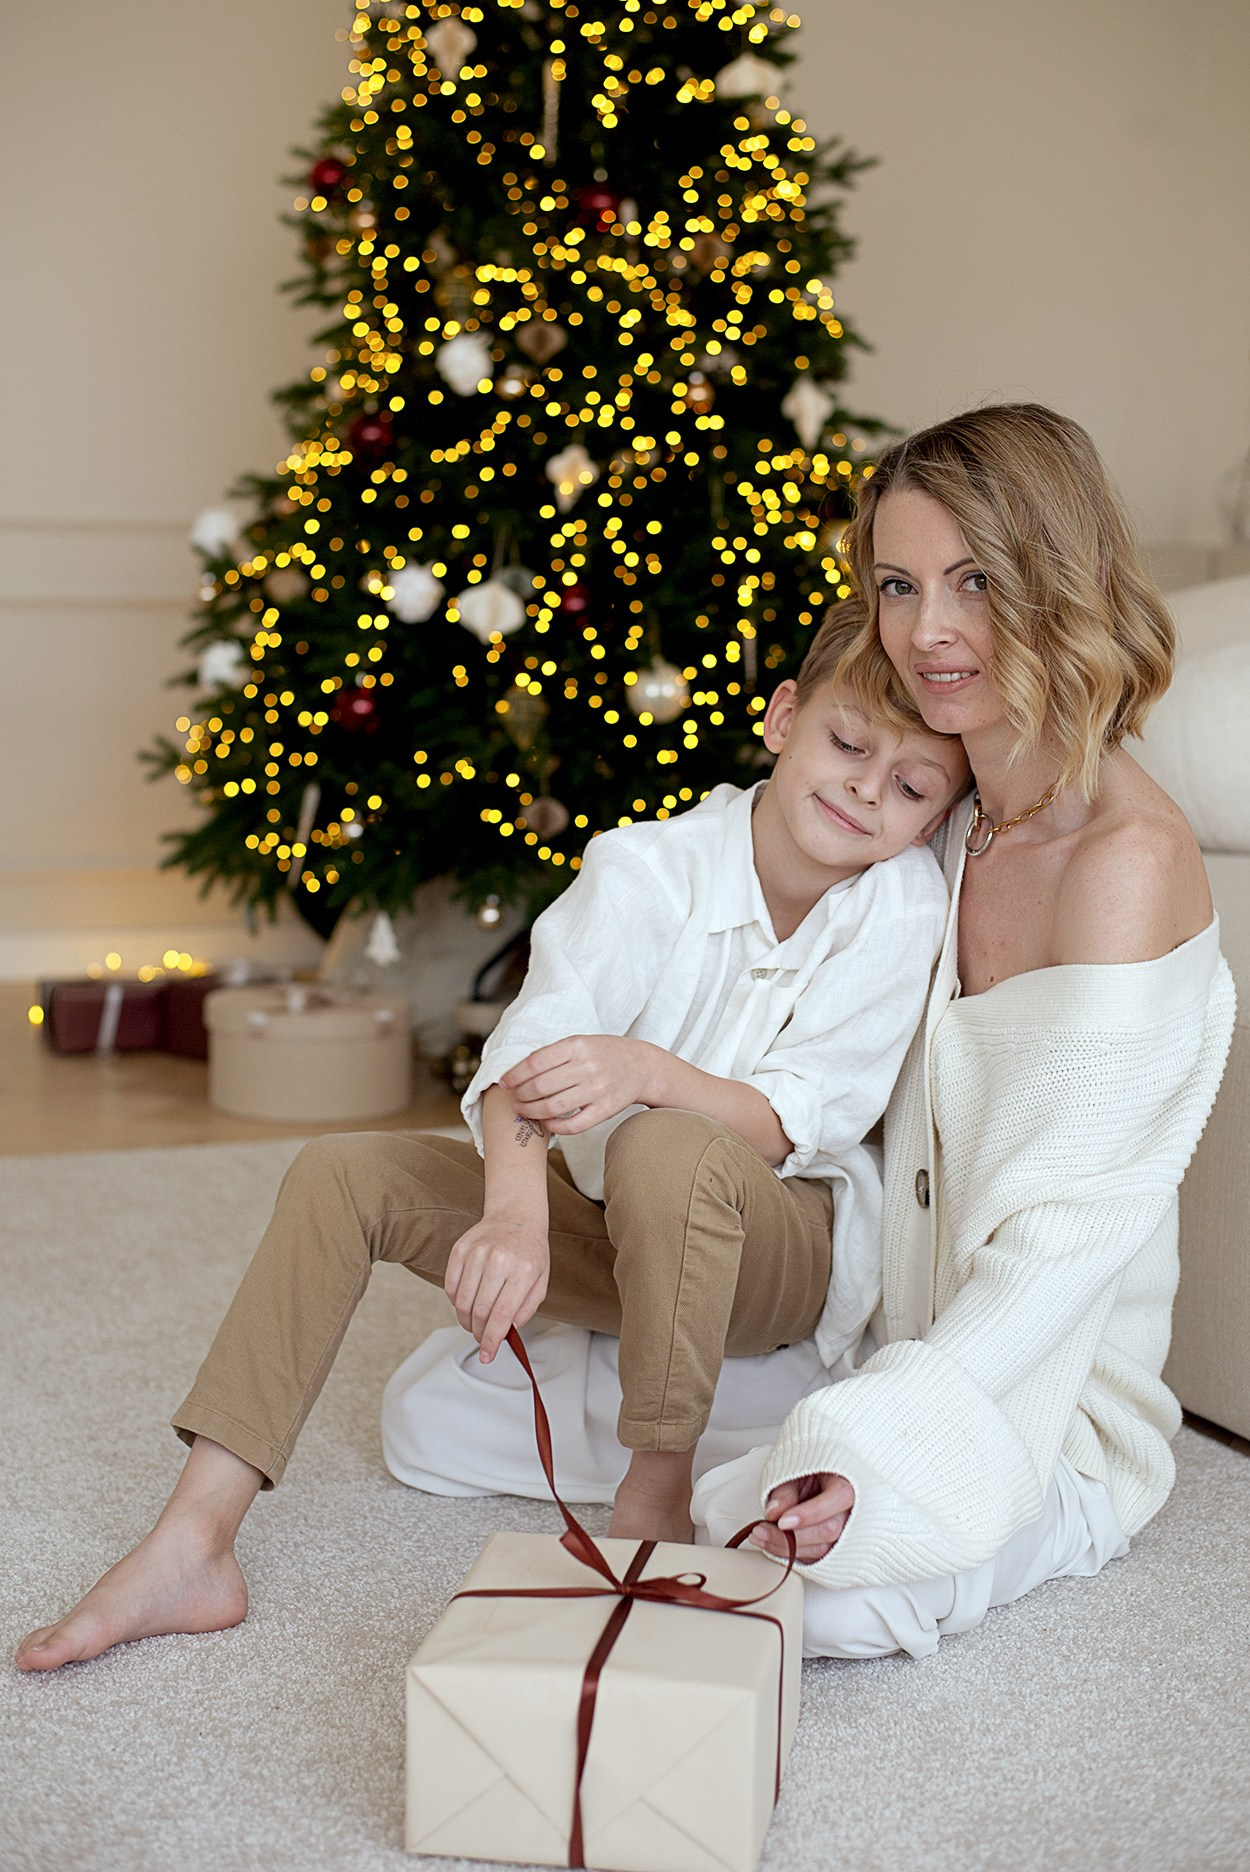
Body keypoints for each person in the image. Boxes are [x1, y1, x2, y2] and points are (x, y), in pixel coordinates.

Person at [16, 596, 970, 1673]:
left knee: (664, 1141)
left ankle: (653, 1494)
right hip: (618, 1227)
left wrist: (648, 1072)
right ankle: (194, 1541)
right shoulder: (647, 866)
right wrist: (515, 1215)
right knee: (343, 1174)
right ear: (784, 717)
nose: (865, 789)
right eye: (847, 744)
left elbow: (791, 1122)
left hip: (776, 1259)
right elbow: (536, 1044)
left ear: (936, 817)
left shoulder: (899, 908)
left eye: (911, 788)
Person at [689, 402, 1236, 1657]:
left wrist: (871, 1441)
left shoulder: (1126, 862)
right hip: (882, 1333)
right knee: (448, 1411)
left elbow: (1060, 1252)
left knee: (818, 1596)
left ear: (1059, 578)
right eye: (897, 584)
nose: (926, 632)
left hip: (1044, 1403)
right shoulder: (938, 813)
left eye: (974, 581)